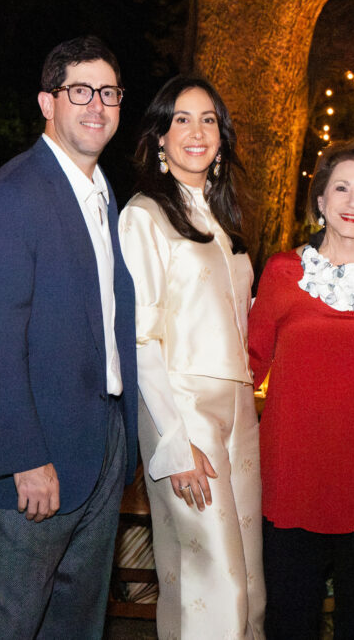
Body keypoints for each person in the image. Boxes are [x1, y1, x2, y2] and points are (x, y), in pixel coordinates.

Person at [0, 36, 138, 638]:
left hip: (100, 446)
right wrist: (26, 457)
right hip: (34, 462)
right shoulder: (10, 197)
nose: (96, 105)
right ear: (46, 102)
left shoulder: (103, 194)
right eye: (78, 91)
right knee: (6, 625)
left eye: (108, 92)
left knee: (74, 624)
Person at [249, 139, 354, 640]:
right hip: (293, 474)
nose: (353, 202)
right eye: (341, 188)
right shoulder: (282, 272)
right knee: (288, 620)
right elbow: (248, 367)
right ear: (320, 200)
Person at [118, 76, 264, 638]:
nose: (196, 131)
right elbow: (141, 338)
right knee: (212, 582)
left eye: (208, 119)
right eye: (181, 119)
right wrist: (175, 444)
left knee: (247, 583)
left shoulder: (223, 222)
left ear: (222, 138)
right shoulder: (144, 216)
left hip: (239, 410)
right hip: (183, 411)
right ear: (159, 136)